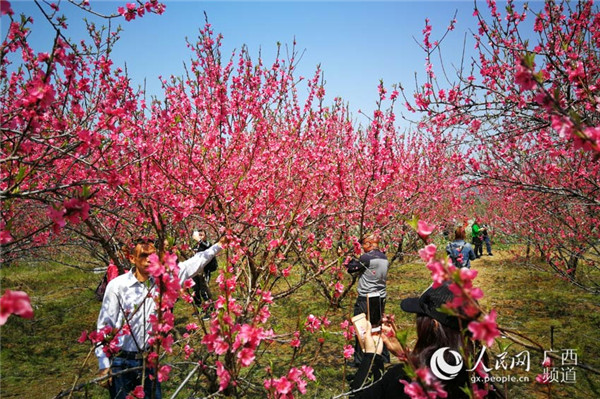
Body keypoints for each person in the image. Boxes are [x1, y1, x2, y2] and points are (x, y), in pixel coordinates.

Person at [95, 235, 226, 399]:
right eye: (143, 256)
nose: (149, 260)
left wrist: (219, 245)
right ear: (132, 258)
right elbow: (103, 326)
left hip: (149, 359)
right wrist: (104, 364)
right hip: (121, 361)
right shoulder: (117, 286)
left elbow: (194, 262)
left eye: (152, 255)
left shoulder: (162, 280)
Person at [349, 283, 501, 399]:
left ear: (434, 325)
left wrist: (371, 355)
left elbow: (359, 395)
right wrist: (404, 355)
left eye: (421, 318)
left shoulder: (403, 380)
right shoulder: (479, 377)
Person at [345, 234, 390, 368]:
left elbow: (351, 268)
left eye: (364, 244)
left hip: (366, 297)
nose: (362, 247)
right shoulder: (384, 257)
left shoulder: (366, 257)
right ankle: (384, 356)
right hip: (380, 297)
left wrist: (347, 258)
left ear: (369, 244)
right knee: (377, 327)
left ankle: (360, 360)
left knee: (361, 328)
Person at [191, 230, 218, 320]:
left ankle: (210, 310)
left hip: (205, 271)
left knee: (204, 291)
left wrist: (198, 240)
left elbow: (207, 248)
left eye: (202, 235)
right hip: (195, 272)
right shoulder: (196, 246)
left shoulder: (207, 245)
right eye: (199, 235)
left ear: (206, 236)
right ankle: (199, 309)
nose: (200, 236)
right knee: (195, 290)